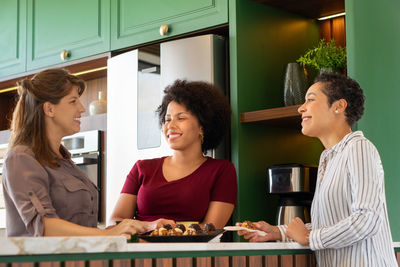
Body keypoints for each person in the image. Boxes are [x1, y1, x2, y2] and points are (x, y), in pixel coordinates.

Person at [238, 73, 397, 266]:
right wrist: (278, 231)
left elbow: (367, 219)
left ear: (339, 106)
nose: (301, 108)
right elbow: (330, 225)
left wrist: (309, 238)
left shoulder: (359, 148)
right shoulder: (327, 158)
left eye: (310, 100)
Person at [2, 68, 149, 237]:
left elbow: (82, 231)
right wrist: (108, 235)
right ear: (49, 109)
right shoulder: (21, 158)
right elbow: (44, 226)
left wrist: (145, 227)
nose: (82, 108)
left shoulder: (64, 160)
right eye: (73, 101)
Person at [110, 80, 237, 229]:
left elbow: (210, 229)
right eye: (167, 119)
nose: (170, 126)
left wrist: (165, 231)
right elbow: (115, 223)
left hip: (192, 252)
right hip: (138, 251)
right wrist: (151, 226)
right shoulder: (142, 168)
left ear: (203, 127)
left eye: (181, 118)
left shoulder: (221, 170)